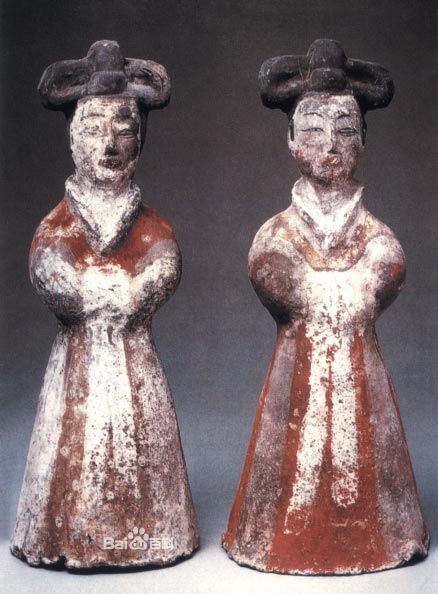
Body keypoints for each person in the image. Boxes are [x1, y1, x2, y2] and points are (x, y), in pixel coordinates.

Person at [222, 39, 429, 575]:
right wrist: (339, 288)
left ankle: (381, 536)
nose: (330, 143)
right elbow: (278, 278)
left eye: (344, 128)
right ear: (291, 139)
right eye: (313, 128)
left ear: (363, 138)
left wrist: (330, 288)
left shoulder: (376, 236)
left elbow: (379, 278)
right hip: (294, 372)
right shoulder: (276, 234)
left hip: (361, 373)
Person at [11, 40, 199, 569]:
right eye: (94, 129)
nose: (110, 144)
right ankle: (67, 535)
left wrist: (134, 288)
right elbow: (49, 266)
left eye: (124, 129)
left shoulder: (148, 222)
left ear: (141, 138)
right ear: (73, 137)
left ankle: (154, 532)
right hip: (78, 361)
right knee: (68, 444)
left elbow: (164, 259)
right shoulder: (61, 221)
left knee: (145, 439)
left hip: (135, 358)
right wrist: (99, 288)